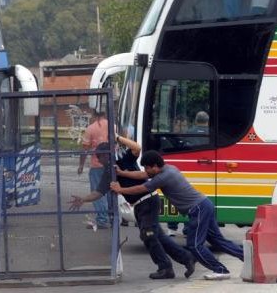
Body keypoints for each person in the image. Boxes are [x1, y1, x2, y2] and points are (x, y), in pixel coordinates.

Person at [71, 139, 196, 280]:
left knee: (149, 236)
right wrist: (83, 199)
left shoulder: (124, 161)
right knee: (157, 236)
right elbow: (99, 192)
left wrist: (118, 137)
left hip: (148, 201)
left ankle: (165, 267)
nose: (98, 159)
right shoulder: (108, 173)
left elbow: (137, 147)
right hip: (140, 206)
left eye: (100, 156)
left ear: (108, 154)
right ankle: (187, 258)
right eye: (97, 156)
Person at [111, 150, 244, 281]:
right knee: (218, 241)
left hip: (197, 209)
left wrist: (120, 190)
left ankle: (220, 270)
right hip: (204, 204)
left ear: (155, 166)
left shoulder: (163, 177)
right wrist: (122, 173)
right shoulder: (168, 169)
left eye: (147, 168)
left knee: (195, 245)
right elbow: (141, 175)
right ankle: (247, 257)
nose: (146, 171)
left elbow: (142, 188)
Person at [78, 110, 109, 229]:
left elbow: (85, 149)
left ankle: (101, 220)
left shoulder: (90, 128)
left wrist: (81, 165)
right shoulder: (114, 126)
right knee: (111, 191)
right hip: (111, 164)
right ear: (105, 114)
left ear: (94, 115)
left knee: (98, 192)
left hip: (97, 165)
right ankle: (113, 217)